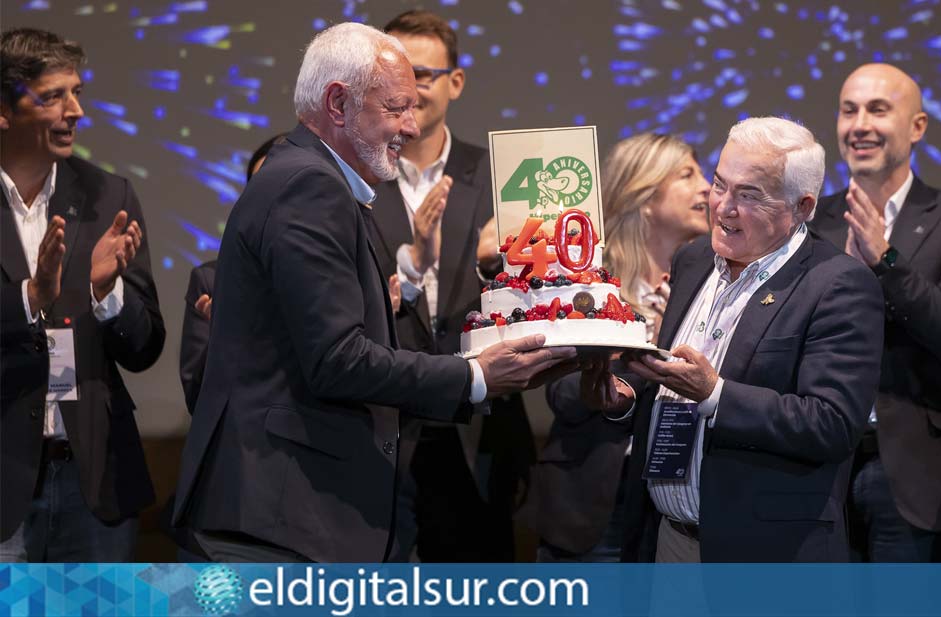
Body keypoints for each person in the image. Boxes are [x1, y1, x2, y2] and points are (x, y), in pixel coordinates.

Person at [171, 22, 573, 563]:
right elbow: (336, 360)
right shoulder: (308, 186)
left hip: (290, 513)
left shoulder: (311, 180)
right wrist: (476, 375)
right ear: (338, 103)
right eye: (397, 108)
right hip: (281, 520)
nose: (411, 125)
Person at [585, 117, 884, 562]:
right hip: (666, 541)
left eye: (749, 195)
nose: (722, 207)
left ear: (802, 207)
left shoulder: (838, 284)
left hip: (766, 557)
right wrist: (626, 399)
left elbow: (831, 424)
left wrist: (715, 394)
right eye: (720, 185)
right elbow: (669, 391)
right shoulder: (693, 259)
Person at [809, 63, 941, 562]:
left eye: (879, 109)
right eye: (849, 110)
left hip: (915, 472)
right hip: (820, 465)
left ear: (917, 127)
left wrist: (886, 262)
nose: (860, 125)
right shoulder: (811, 222)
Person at [371, 9, 532, 563]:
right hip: (378, 426)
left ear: (454, 83)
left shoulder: (501, 177)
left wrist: (494, 266)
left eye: (421, 74)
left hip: (478, 431)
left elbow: (539, 297)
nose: (406, 89)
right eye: (391, 75)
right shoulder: (354, 178)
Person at [0, 27, 165, 562]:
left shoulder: (107, 195)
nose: (76, 111)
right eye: (53, 96)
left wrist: (106, 294)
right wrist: (30, 295)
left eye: (77, 92)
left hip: (92, 477)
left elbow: (145, 348)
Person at [534, 133, 709, 562]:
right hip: (597, 505)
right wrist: (637, 360)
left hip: (681, 504)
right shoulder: (585, 280)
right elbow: (560, 389)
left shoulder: (716, 285)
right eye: (688, 174)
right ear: (644, 195)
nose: (707, 186)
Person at [179, 133, 285, 414]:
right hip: (248, 448)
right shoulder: (212, 283)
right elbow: (196, 397)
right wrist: (227, 334)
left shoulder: (337, 276)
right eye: (259, 190)